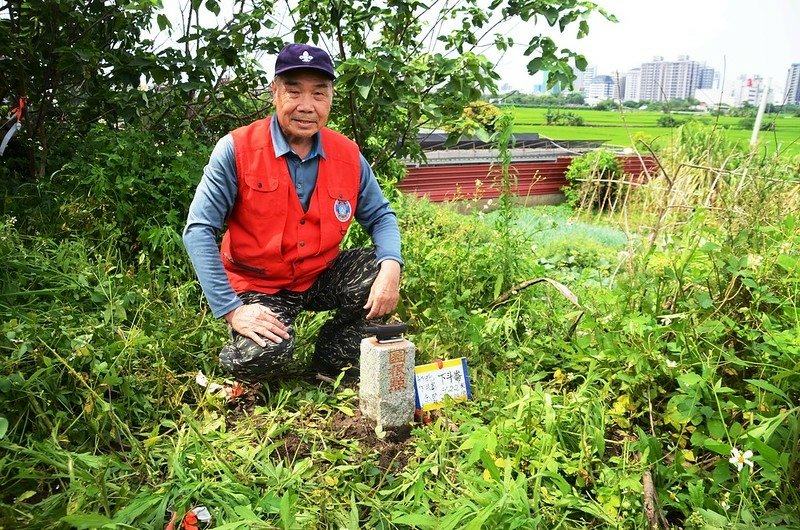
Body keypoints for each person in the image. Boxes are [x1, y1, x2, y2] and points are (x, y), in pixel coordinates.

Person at [183, 43, 402, 382]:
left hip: (318, 276)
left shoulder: (347, 154)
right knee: (262, 356)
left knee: (378, 270)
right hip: (257, 283)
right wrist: (232, 309)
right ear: (274, 91)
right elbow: (198, 229)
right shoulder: (237, 149)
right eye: (294, 91)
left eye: (318, 93)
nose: (306, 106)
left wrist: (392, 265)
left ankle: (330, 361)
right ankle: (243, 352)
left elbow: (381, 216)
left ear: (330, 97)